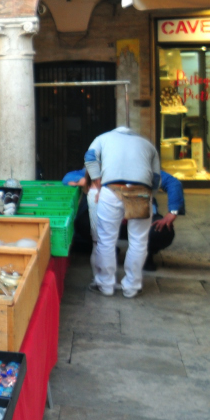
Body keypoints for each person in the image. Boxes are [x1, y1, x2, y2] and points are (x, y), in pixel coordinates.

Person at [83, 126, 160, 298]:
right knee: (138, 241)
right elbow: (156, 177)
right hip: (140, 190)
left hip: (111, 188)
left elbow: (89, 157)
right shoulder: (147, 144)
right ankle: (132, 287)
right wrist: (150, 196)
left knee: (105, 240)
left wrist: (97, 182)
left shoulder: (102, 138)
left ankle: (105, 285)